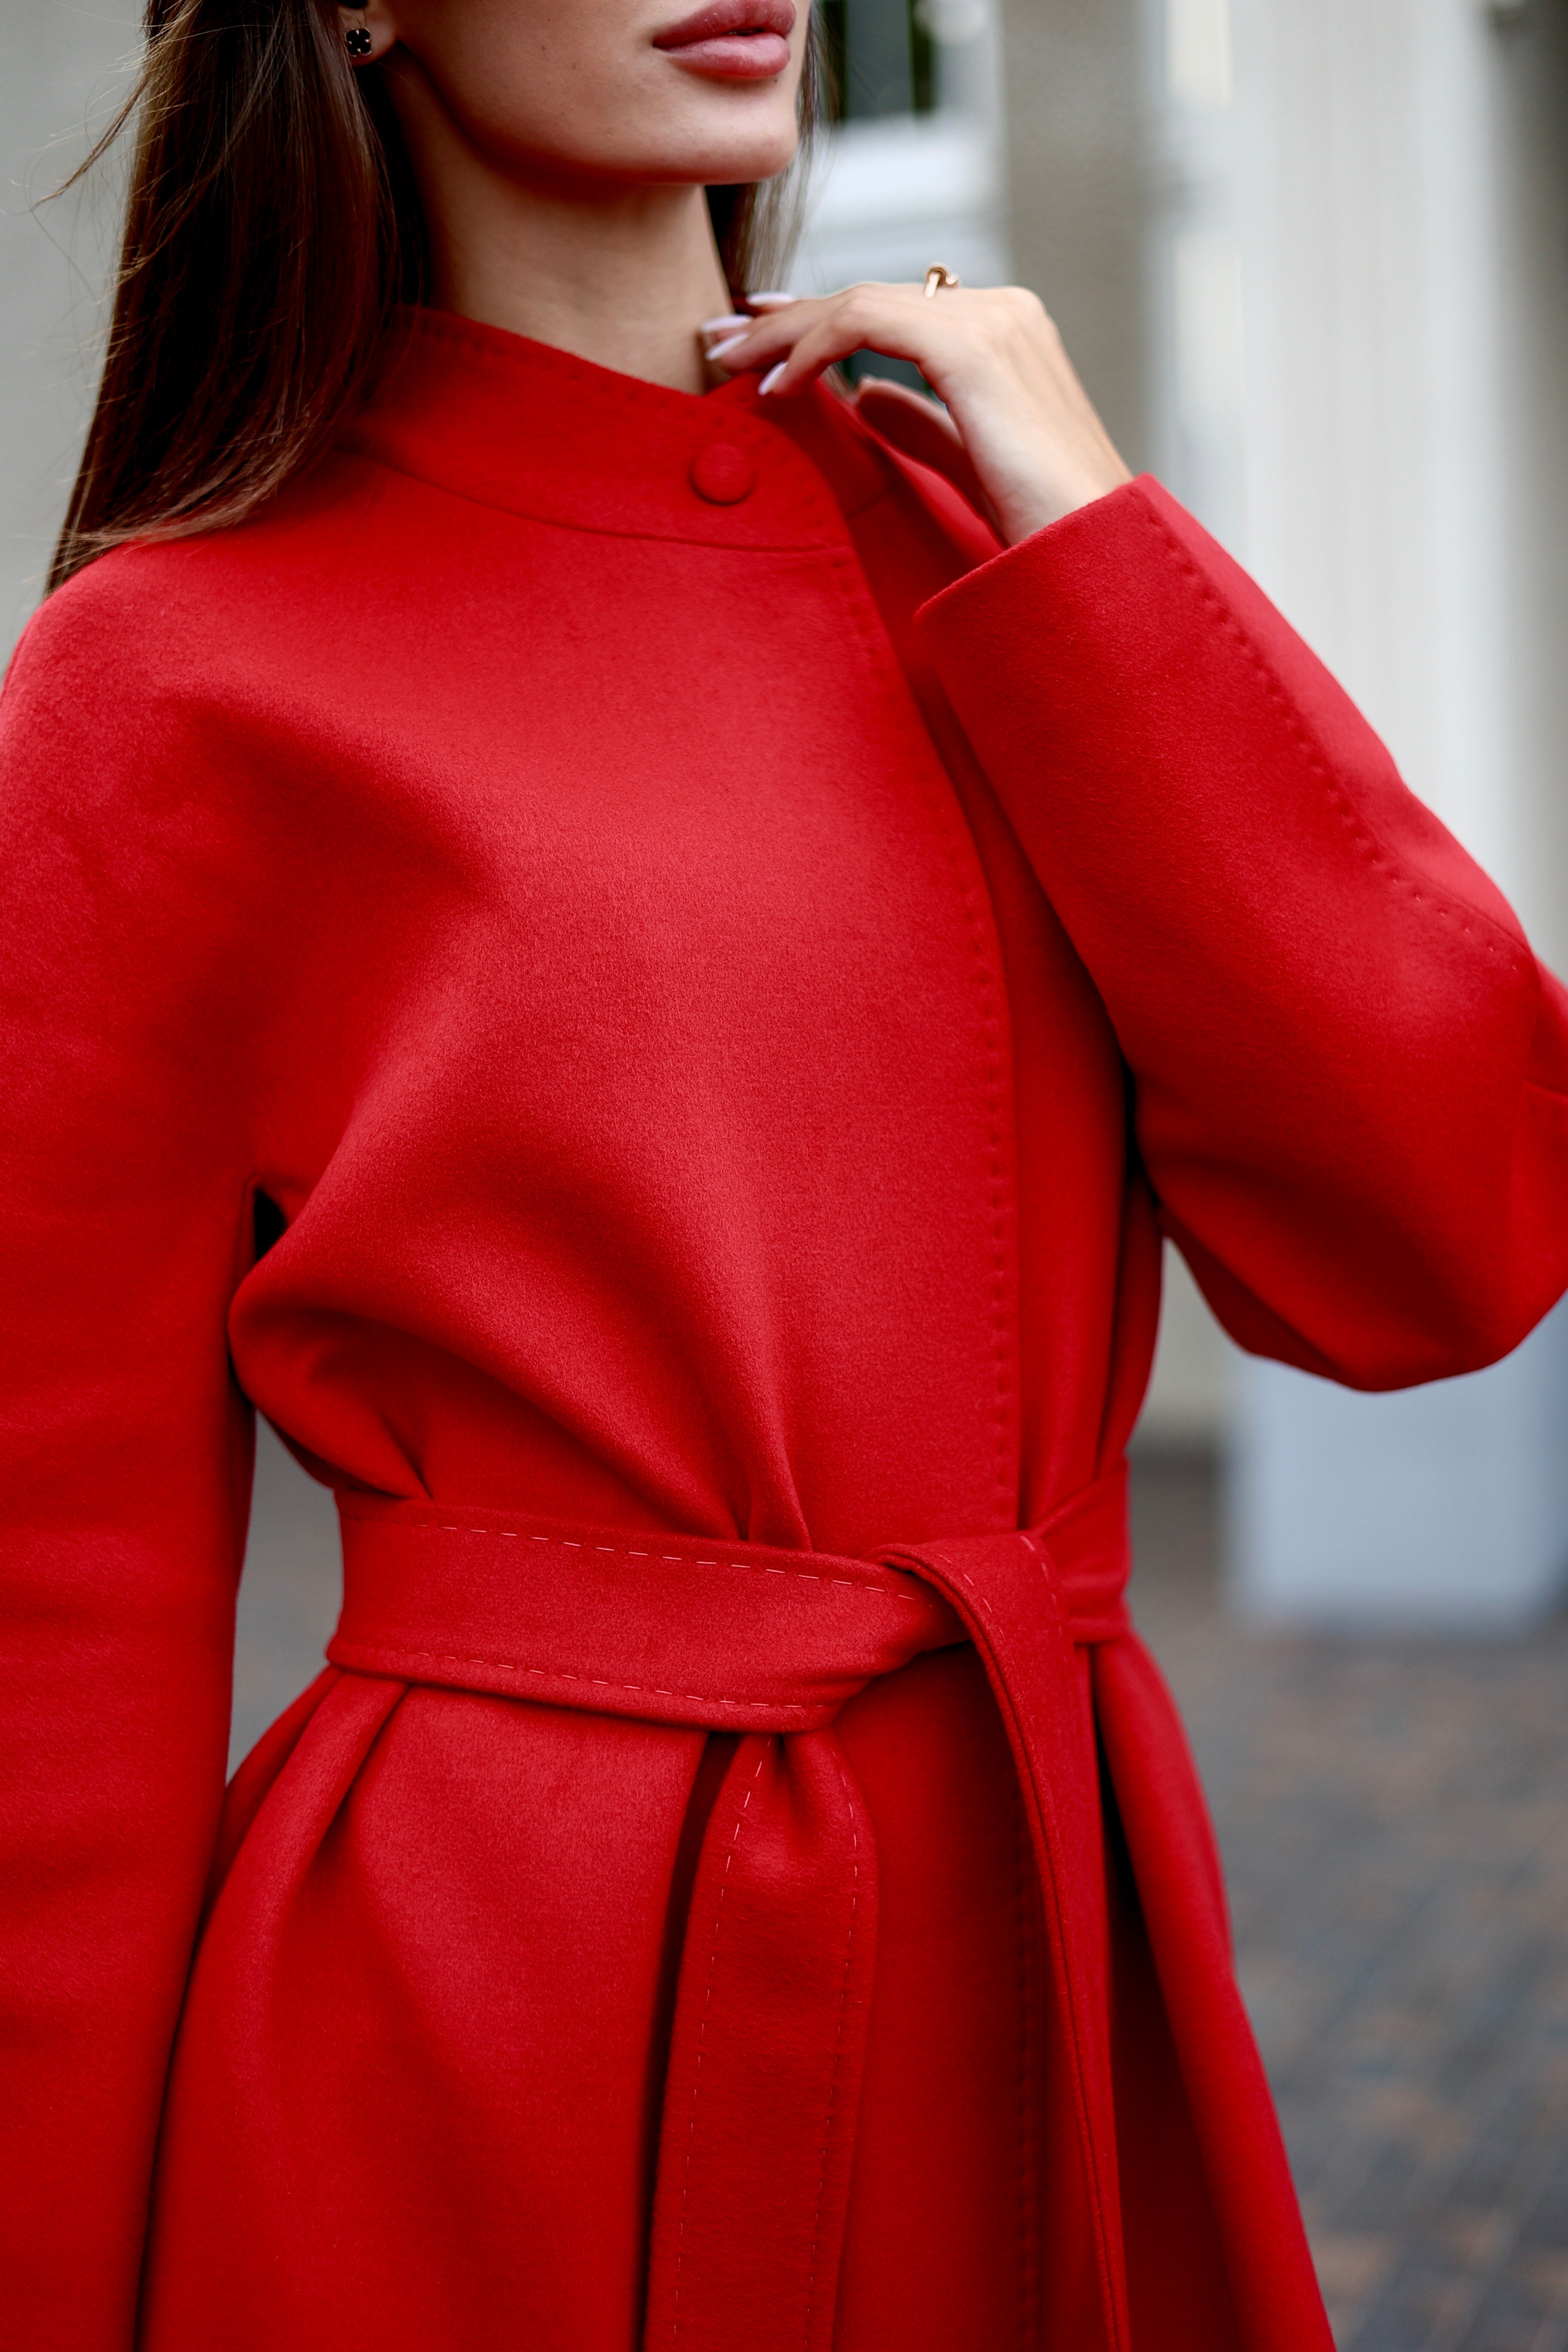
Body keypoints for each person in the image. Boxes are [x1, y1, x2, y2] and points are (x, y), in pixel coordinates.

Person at [2, 0, 1564, 2346]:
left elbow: (1446, 1238)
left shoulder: (1003, 561)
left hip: (1046, 1963)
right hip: (474, 2060)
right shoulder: (164, 675)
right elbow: (55, 1650)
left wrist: (1099, 532)